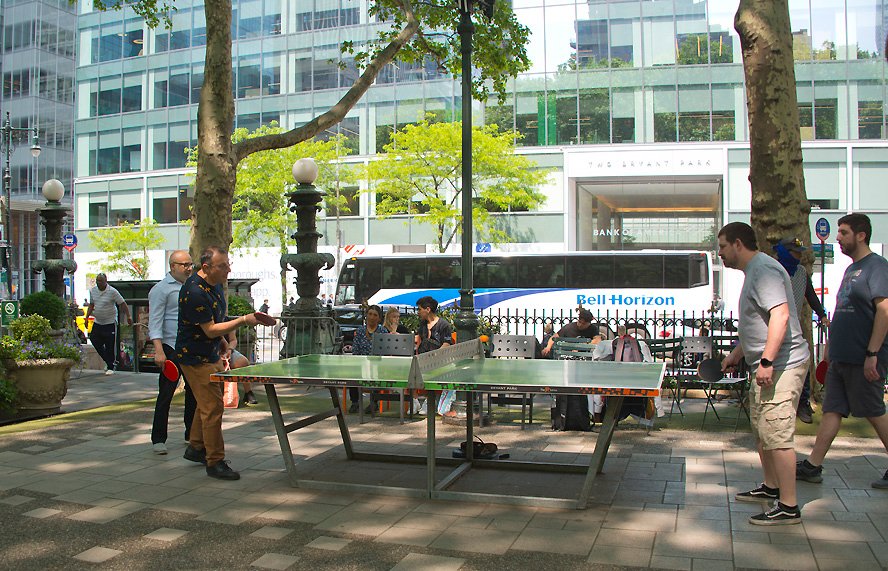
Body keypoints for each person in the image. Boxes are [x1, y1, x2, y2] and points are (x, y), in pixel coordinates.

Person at [718, 222, 809, 526]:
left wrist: (768, 361)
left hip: (781, 365)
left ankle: (789, 505)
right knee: (764, 430)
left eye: (722, 247)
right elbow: (758, 323)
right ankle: (771, 486)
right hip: (764, 364)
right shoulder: (754, 271)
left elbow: (780, 316)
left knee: (778, 433)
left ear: (738, 244)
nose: (720, 253)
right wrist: (736, 354)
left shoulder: (764, 270)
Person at [796, 213, 888, 490]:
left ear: (861, 235)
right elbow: (843, 311)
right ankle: (813, 465)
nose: (837, 237)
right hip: (840, 356)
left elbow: (884, 311)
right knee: (832, 410)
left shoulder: (877, 267)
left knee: (874, 411)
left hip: (863, 357)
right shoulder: (851, 269)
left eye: (843, 232)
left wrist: (872, 354)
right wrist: (830, 348)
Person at [177, 246, 262, 481]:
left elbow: (213, 322)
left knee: (206, 404)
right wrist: (243, 320)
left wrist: (223, 341)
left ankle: (196, 447)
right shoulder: (195, 292)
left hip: (210, 353)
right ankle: (215, 461)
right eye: (223, 266)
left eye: (228, 264)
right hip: (195, 357)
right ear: (206, 267)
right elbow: (210, 328)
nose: (228, 269)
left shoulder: (214, 285)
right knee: (213, 408)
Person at [773, 237, 831, 423]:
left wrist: (822, 314)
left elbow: (811, 295)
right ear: (785, 252)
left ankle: (802, 402)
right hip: (773, 325)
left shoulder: (801, 272)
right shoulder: (773, 271)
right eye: (795, 252)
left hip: (794, 326)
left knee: (802, 360)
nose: (799, 256)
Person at [148, 250, 197, 455]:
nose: (188, 268)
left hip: (189, 346)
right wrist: (159, 350)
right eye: (184, 265)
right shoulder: (161, 289)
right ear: (173, 266)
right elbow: (155, 321)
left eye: (190, 264)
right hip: (169, 346)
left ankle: (191, 434)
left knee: (193, 392)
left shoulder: (192, 286)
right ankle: (158, 438)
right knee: (166, 394)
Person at [85, 273, 133, 375]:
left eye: (100, 281)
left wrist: (129, 316)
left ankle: (111, 366)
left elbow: (122, 303)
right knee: (94, 339)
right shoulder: (93, 291)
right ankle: (107, 360)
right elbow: (91, 305)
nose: (98, 283)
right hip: (98, 321)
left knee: (110, 345)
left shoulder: (112, 291)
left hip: (110, 322)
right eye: (97, 281)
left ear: (105, 281)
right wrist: (87, 317)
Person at [415, 296, 453, 415]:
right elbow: (418, 340)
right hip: (423, 359)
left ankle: (429, 401)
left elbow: (447, 343)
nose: (418, 312)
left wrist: (434, 356)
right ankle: (414, 400)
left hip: (439, 360)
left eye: (419, 309)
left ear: (428, 309)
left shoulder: (444, 325)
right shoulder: (422, 324)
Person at [349, 305, 388, 413]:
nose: (372, 317)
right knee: (352, 373)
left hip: (378, 364)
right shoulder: (360, 331)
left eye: (375, 315)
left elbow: (385, 351)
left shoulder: (383, 331)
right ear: (366, 315)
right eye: (370, 314)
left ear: (379, 318)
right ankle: (355, 402)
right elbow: (355, 349)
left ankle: (374, 402)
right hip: (361, 363)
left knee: (376, 372)